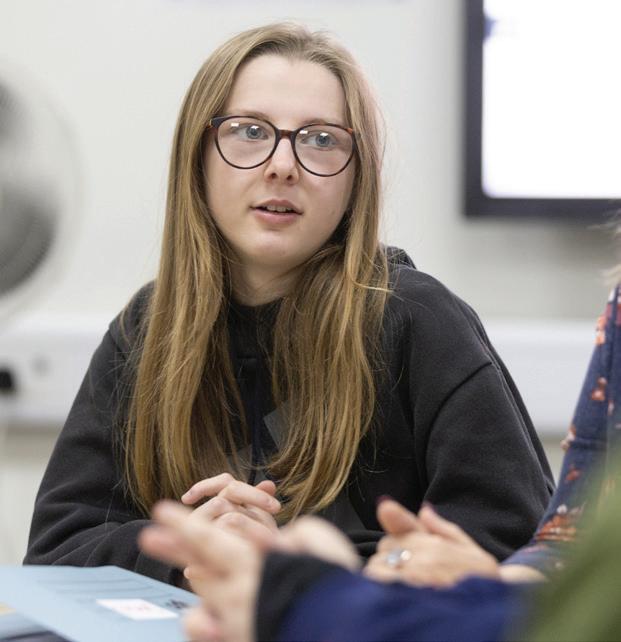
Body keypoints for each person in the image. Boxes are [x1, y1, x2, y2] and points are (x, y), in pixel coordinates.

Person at [24, 23, 553, 586]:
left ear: (357, 179)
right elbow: (57, 552)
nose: (282, 165)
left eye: (321, 140)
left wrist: (292, 571)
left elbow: (517, 551)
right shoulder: (147, 328)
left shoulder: (419, 320)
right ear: (198, 157)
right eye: (250, 131)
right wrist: (190, 550)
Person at [138, 284, 621, 641]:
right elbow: (564, 547)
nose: (281, 178)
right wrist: (485, 586)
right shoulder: (146, 320)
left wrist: (326, 593)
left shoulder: (422, 317)